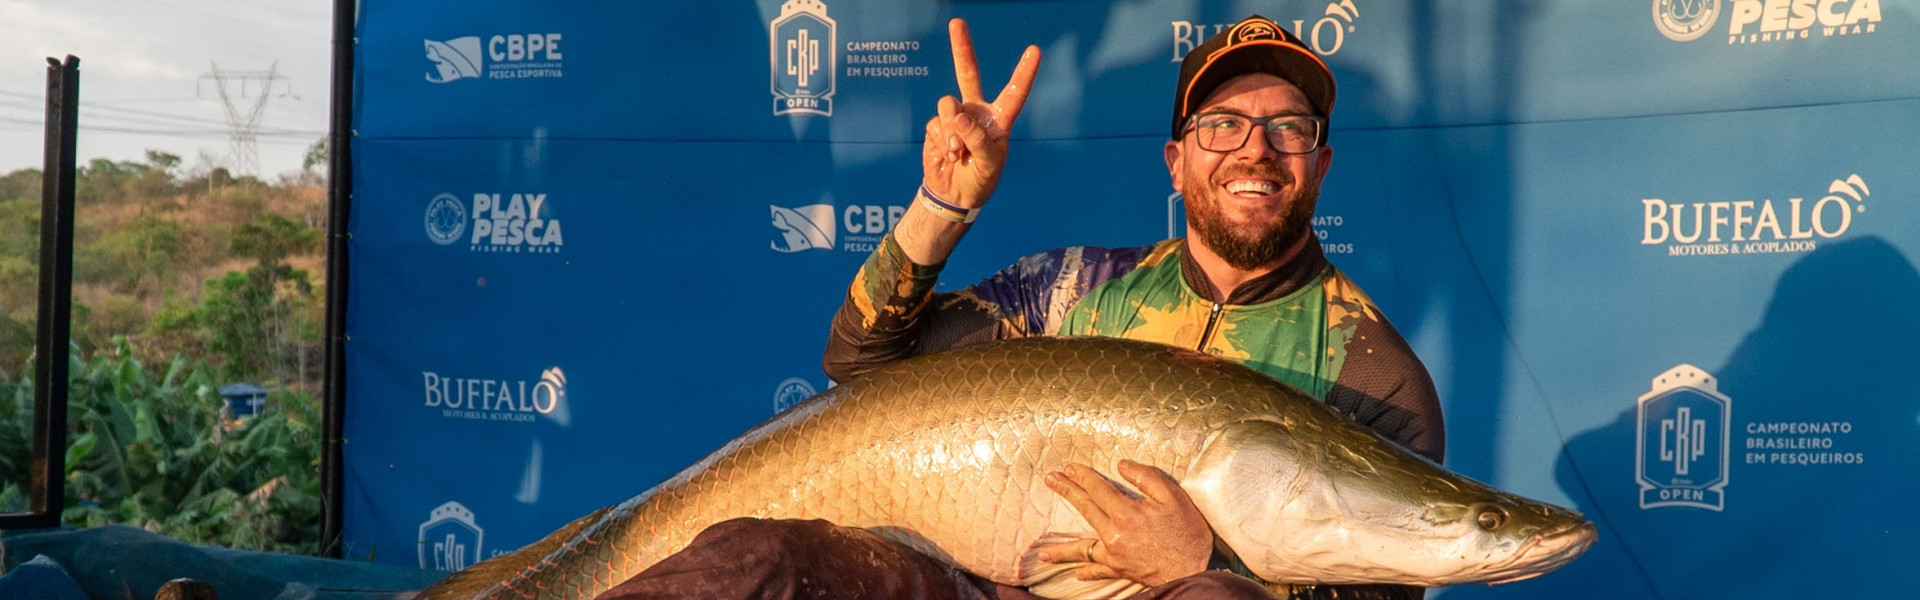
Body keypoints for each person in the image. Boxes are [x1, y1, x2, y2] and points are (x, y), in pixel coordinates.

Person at [600, 15, 1441, 600]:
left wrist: (1204, 561)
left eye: (1289, 127)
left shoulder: (1374, 374)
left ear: (1321, 165)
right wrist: (942, 205)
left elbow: (1379, 595)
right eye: (1222, 125)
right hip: (985, 586)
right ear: (1176, 162)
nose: (1256, 149)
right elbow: (859, 364)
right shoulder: (1075, 287)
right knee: (750, 562)